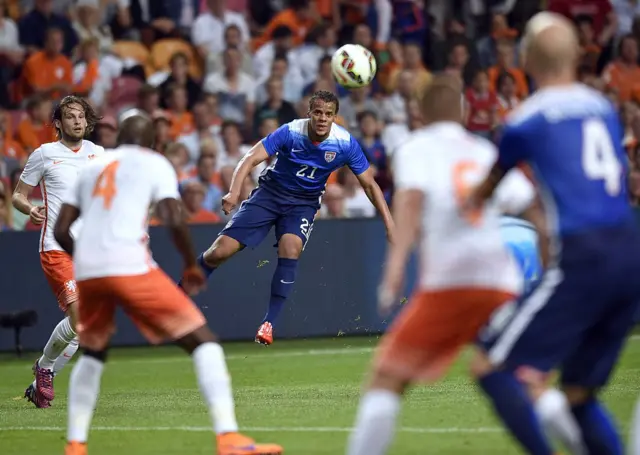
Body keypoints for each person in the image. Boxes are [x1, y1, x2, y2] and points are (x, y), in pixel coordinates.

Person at [54, 113, 283, 455]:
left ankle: (75, 444)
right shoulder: (154, 163)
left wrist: (87, 260)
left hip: (89, 271)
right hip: (130, 266)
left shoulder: (91, 167)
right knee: (203, 342)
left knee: (94, 352)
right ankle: (229, 438)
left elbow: (61, 230)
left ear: (118, 139)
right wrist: (191, 264)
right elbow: (174, 215)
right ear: (153, 144)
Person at [465, 12, 640, 455]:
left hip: (584, 254)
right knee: (578, 395)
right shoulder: (603, 106)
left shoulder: (526, 119)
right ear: (579, 56)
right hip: (630, 251)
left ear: (525, 58)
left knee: (491, 366)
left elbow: (488, 188)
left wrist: (464, 204)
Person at [346, 75, 537, 455]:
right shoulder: (483, 151)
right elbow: (531, 204)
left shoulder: (414, 148)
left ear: (420, 111)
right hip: (501, 281)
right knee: (528, 379)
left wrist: (394, 271)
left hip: (450, 282)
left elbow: (410, 204)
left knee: (386, 379)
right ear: (463, 110)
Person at [183, 90, 394, 346]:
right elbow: (251, 157)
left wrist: (389, 224)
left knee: (291, 247)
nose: (323, 118)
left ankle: (269, 323)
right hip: (269, 195)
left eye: (328, 114)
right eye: (318, 112)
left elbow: (370, 185)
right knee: (219, 252)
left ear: (335, 117)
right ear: (309, 113)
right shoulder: (290, 131)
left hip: (303, 205)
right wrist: (233, 191)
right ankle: (178, 295)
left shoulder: (345, 143)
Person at [11, 95, 104, 409]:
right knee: (80, 321)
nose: (77, 121)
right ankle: (44, 368)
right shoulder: (44, 154)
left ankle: (40, 380)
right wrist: (29, 209)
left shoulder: (98, 154)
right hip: (56, 246)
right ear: (58, 123)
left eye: (81, 116)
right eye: (70, 116)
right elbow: (18, 196)